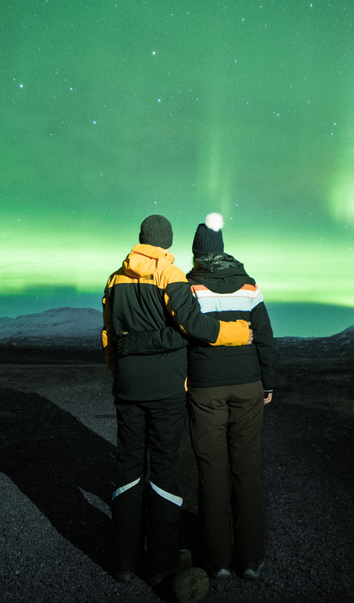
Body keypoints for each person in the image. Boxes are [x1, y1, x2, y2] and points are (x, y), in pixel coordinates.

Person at [101, 214, 252, 587]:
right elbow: (193, 324)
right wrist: (235, 332)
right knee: (165, 471)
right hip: (167, 389)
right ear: (167, 241)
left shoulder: (114, 277)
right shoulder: (171, 274)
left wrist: (118, 375)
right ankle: (161, 565)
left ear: (140, 239)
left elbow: (108, 334)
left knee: (128, 471)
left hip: (128, 388)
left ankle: (123, 564)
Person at [186, 212, 275, 582]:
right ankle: (251, 559)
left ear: (196, 253)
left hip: (205, 388)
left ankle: (218, 560)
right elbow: (266, 338)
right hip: (248, 387)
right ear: (222, 250)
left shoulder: (189, 287)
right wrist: (267, 384)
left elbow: (182, 338)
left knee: (211, 472)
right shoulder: (249, 286)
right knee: (247, 471)